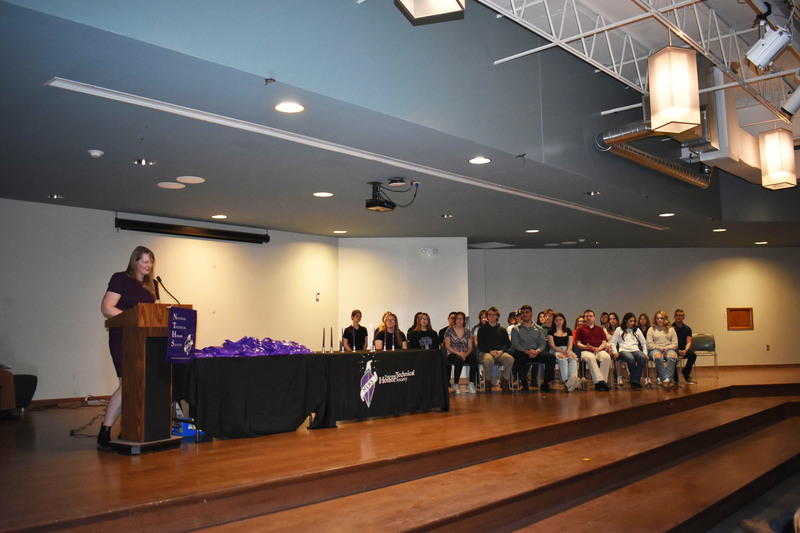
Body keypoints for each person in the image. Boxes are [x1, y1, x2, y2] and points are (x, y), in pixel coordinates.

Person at [98, 246, 160, 448]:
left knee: (142, 385)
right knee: (127, 384)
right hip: (124, 337)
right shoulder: (121, 279)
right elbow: (107, 307)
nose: (148, 265)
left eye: (150, 261)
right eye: (144, 261)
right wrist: (134, 319)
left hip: (146, 339)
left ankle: (132, 428)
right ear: (135, 262)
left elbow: (157, 314)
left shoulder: (153, 285)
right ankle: (105, 430)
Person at [511, 305, 556, 393]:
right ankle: (524, 385)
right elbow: (515, 344)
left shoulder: (539, 329)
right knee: (518, 356)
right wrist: (526, 351)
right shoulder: (516, 329)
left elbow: (542, 343)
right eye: (523, 313)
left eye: (527, 312)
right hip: (523, 352)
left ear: (531, 314)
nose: (525, 315)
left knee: (551, 357)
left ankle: (545, 384)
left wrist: (537, 351)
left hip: (536, 352)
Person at [478, 306, 514, 393]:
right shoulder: (482, 330)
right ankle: (488, 383)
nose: (492, 317)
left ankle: (505, 382)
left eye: (494, 315)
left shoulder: (502, 330)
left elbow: (507, 344)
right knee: (488, 361)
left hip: (500, 353)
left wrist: (501, 351)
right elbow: (481, 345)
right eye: (490, 315)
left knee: (510, 359)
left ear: (497, 317)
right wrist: (490, 351)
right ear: (487, 316)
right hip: (486, 352)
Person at [574, 309, 612, 391]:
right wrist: (585, 347)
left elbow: (604, 342)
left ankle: (601, 383)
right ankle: (601, 383)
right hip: (586, 351)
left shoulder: (599, 329)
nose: (588, 318)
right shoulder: (580, 329)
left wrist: (599, 349)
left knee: (606, 357)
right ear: (584, 318)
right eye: (586, 316)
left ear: (594, 318)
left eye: (590, 316)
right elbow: (578, 344)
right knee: (590, 358)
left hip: (598, 350)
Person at [609, 312, 647, 390]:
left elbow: (643, 342)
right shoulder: (619, 329)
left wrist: (645, 353)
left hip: (635, 349)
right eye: (631, 321)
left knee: (642, 357)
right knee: (631, 359)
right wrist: (615, 352)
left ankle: (634, 380)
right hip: (623, 350)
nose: (633, 323)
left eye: (634, 321)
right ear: (626, 321)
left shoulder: (637, 330)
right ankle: (635, 381)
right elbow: (613, 342)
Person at [444, 311, 478, 394]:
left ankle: (471, 383)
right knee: (459, 359)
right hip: (452, 354)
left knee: (473, 357)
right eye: (457, 318)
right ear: (455, 320)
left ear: (464, 320)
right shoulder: (449, 331)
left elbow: (470, 346)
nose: (459, 320)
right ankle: (456, 384)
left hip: (465, 354)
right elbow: (447, 346)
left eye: (461, 318)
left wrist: (465, 354)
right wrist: (459, 353)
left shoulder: (467, 332)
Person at [548, 312, 580, 392]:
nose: (559, 322)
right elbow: (552, 346)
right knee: (563, 359)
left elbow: (570, 344)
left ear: (564, 320)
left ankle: (572, 379)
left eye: (560, 319)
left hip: (567, 349)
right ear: (554, 321)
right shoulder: (551, 331)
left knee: (573, 357)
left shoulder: (568, 330)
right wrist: (562, 352)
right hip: (556, 350)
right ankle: (566, 381)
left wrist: (568, 351)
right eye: (557, 320)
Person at [646, 309, 679, 386]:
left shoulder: (671, 329)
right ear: (655, 319)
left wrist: (666, 348)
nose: (659, 320)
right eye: (657, 318)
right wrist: (661, 349)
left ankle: (666, 379)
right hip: (655, 349)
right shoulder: (651, 330)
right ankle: (664, 379)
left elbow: (675, 344)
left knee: (672, 356)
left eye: (661, 318)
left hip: (669, 349)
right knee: (658, 357)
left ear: (665, 319)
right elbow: (649, 344)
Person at [672, 308, 698, 384]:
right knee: (672, 356)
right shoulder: (671, 328)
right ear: (674, 316)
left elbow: (689, 342)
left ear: (684, 317)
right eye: (677, 315)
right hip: (674, 349)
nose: (678, 317)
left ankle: (686, 372)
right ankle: (674, 374)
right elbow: (669, 342)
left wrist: (685, 351)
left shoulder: (687, 329)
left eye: (680, 315)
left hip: (684, 348)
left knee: (693, 355)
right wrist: (677, 350)